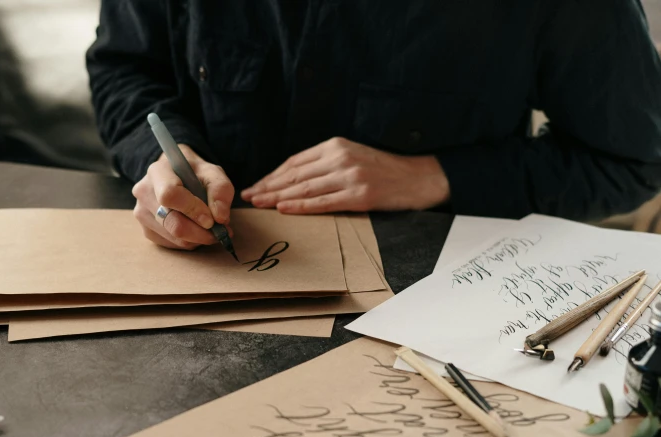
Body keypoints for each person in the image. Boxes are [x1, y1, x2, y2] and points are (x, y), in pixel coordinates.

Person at [87, 1, 661, 250]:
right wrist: (165, 156)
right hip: (204, 283)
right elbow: (126, 66)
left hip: (435, 314)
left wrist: (437, 178)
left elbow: (634, 161)